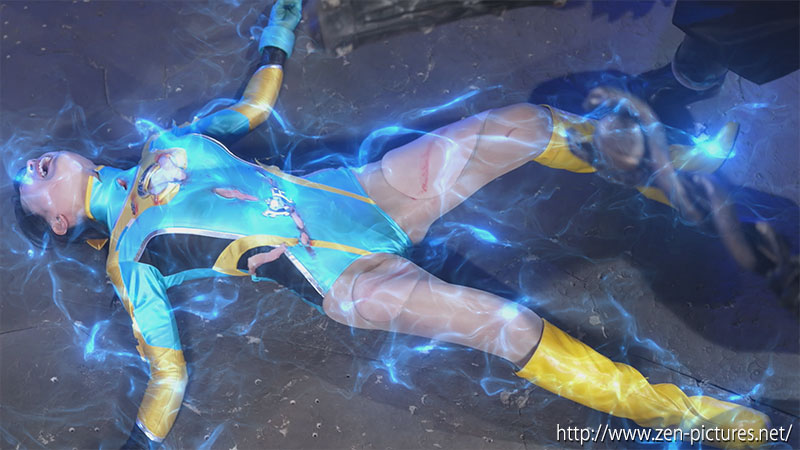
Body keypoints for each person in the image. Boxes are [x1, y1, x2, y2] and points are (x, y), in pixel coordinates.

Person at [13, 1, 770, 448]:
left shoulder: (170, 139)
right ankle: (697, 419)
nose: (31, 169)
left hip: (367, 192)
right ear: (59, 223)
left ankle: (679, 175)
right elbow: (167, 373)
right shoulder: (129, 255)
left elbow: (253, 107)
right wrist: (138, 442)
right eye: (29, 189)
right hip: (346, 278)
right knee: (504, 325)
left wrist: (282, 21)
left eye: (32, 165)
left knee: (522, 124)